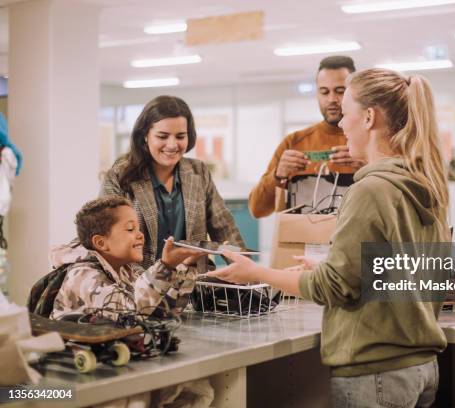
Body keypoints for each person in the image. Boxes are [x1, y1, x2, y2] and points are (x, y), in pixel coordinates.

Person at [209, 69, 450, 408]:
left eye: (347, 112)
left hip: (375, 372)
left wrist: (256, 273)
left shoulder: (369, 190)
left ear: (368, 118)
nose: (340, 125)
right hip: (421, 368)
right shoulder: (425, 184)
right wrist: (330, 264)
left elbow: (332, 288)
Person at [101, 95, 244, 272]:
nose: (172, 145)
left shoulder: (198, 172)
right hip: (138, 287)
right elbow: (110, 241)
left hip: (191, 286)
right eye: (162, 136)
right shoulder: (119, 175)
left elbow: (224, 228)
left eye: (180, 136)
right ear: (145, 135)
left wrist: (248, 271)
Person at [50, 196, 205, 320]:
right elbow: (133, 313)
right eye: (130, 229)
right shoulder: (83, 277)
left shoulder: (126, 271)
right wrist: (165, 266)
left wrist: (185, 266)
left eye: (138, 228)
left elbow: (165, 310)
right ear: (101, 243)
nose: (140, 235)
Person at [248, 55, 366, 218]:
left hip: (356, 240)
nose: (331, 99)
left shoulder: (371, 139)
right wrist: (278, 175)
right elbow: (257, 209)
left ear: (354, 93)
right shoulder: (293, 143)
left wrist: (367, 168)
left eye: (340, 91)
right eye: (324, 92)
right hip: (303, 240)